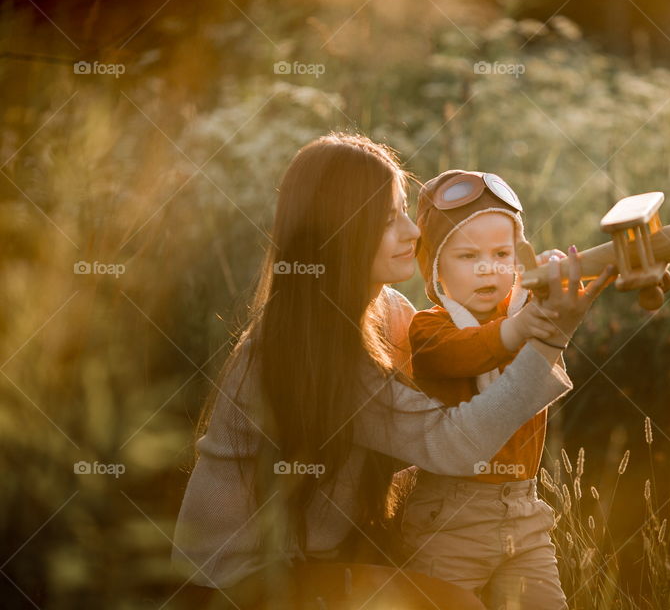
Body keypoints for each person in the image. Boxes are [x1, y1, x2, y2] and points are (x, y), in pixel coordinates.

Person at [170, 134, 614, 606]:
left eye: (405, 211)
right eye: (387, 220)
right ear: (340, 232)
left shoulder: (390, 311)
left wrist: (530, 300)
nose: (413, 232)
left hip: (320, 558)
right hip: (236, 585)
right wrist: (548, 337)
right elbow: (453, 444)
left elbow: (464, 353)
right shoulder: (310, 348)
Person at [402, 169, 571, 609]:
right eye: (466, 256)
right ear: (435, 264)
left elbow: (541, 346)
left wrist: (555, 278)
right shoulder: (430, 329)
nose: (487, 268)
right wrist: (517, 329)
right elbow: (469, 351)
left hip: (524, 510)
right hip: (448, 518)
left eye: (502, 253)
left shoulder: (525, 312)